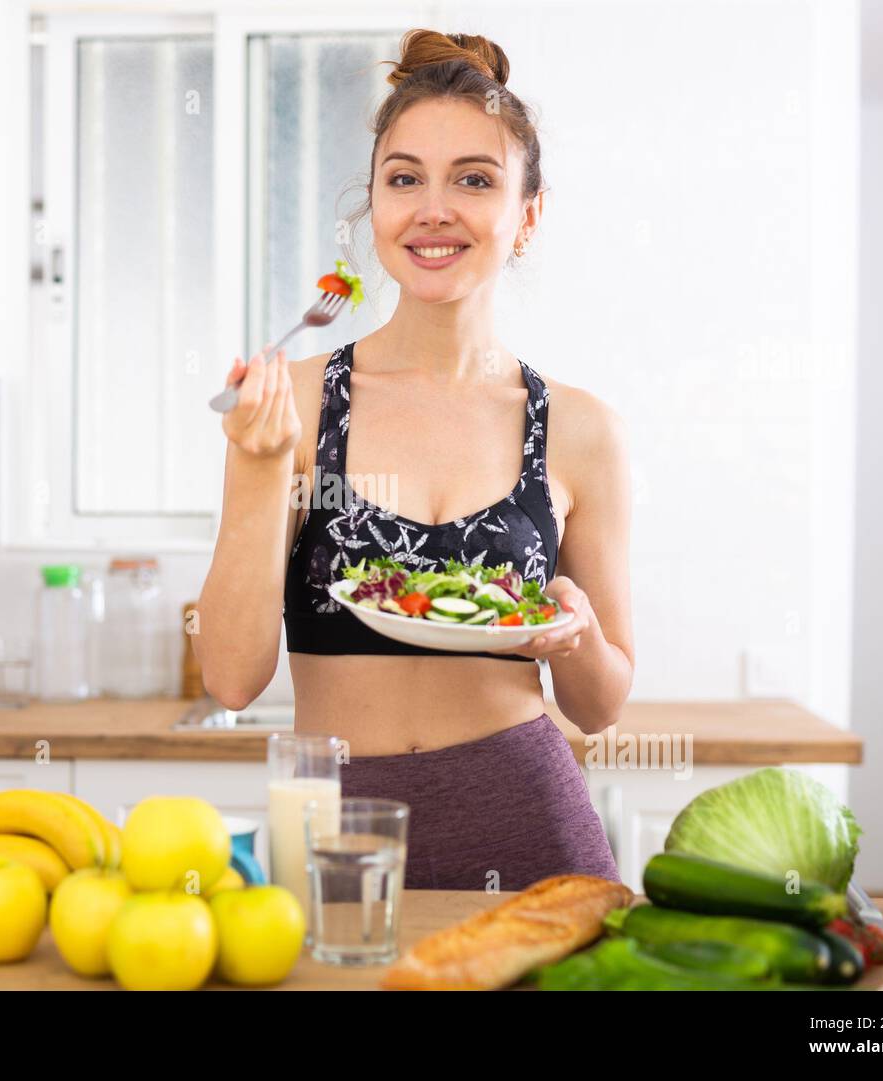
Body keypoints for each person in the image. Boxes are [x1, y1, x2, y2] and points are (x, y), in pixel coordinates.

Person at [195, 29, 634, 891]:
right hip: (334, 831)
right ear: (375, 203)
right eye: (405, 179)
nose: (434, 209)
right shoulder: (298, 401)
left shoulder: (580, 429)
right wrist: (258, 472)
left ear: (527, 214)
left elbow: (601, 702)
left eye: (474, 179)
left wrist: (575, 632)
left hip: (530, 824)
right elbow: (232, 678)